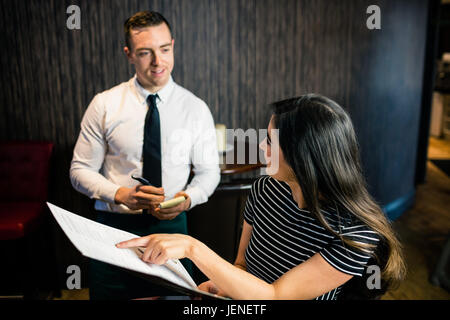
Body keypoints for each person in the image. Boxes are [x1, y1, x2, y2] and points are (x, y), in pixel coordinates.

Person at [116, 94, 406, 300]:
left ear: (302, 155)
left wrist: (193, 248)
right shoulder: (265, 190)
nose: (261, 147)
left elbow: (275, 295)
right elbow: (242, 266)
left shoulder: (355, 236)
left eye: (270, 140)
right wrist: (222, 287)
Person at [70, 11, 220, 300]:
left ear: (173, 45)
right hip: (113, 230)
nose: (158, 61)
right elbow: (79, 171)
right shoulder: (104, 104)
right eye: (145, 53)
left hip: (172, 227)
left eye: (164, 49)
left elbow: (208, 173)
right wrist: (121, 194)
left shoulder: (195, 108)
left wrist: (187, 199)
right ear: (129, 54)